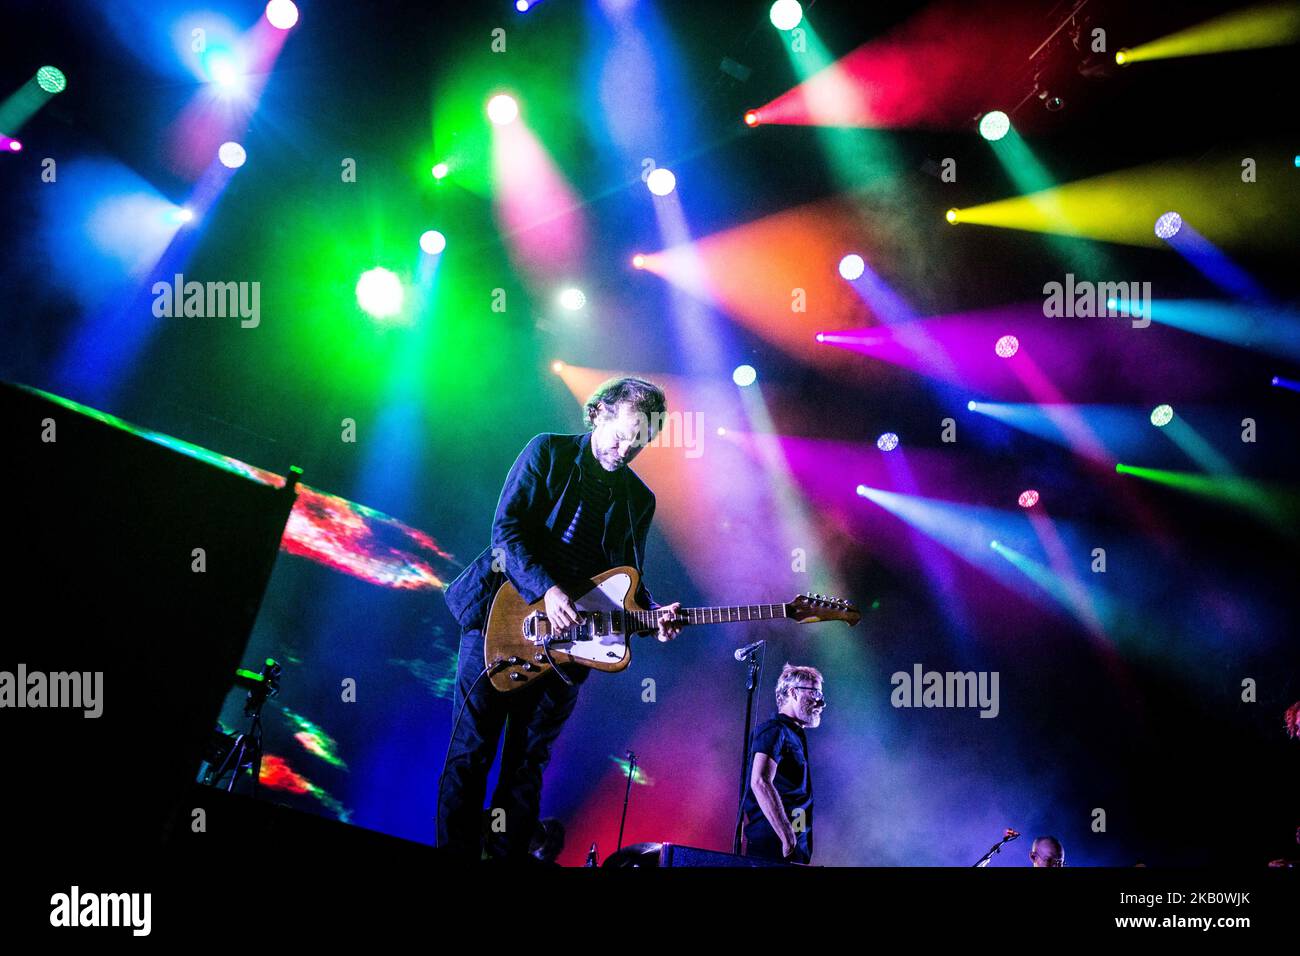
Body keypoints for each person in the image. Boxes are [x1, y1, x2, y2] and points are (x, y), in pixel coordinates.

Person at [436, 377, 682, 861]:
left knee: (526, 767)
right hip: (499, 621)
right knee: (471, 753)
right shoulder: (547, 452)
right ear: (599, 413)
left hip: (568, 649)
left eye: (641, 440)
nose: (628, 447)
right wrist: (546, 590)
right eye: (623, 432)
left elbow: (627, 576)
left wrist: (652, 615)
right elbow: (506, 534)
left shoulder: (640, 500)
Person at [741, 664, 824, 864]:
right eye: (815, 693)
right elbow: (759, 781)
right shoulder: (774, 730)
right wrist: (787, 837)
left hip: (793, 852)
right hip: (772, 850)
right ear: (793, 692)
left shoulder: (796, 736)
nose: (821, 702)